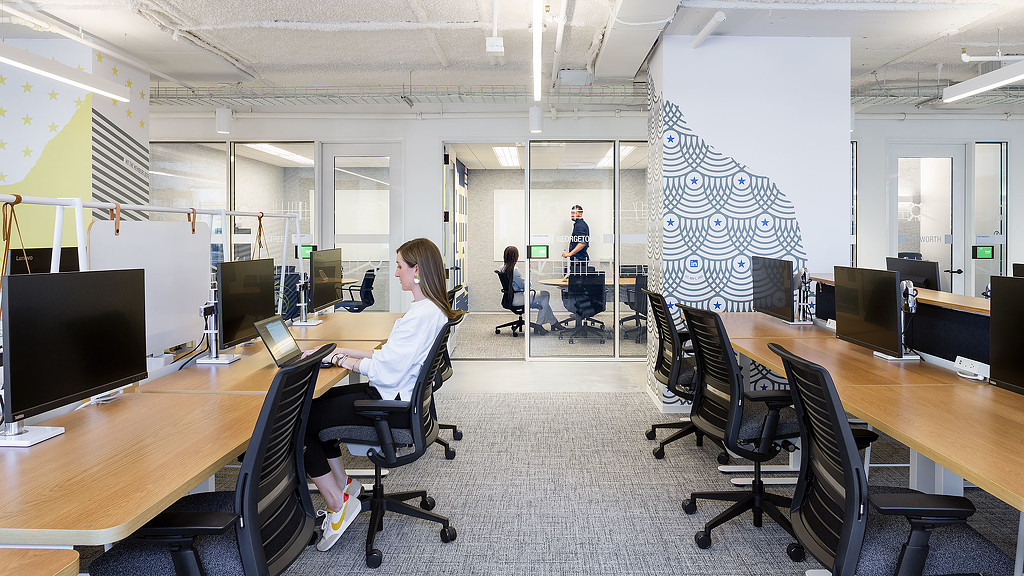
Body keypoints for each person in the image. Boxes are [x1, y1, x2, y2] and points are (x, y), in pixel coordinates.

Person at [300, 237, 461, 552]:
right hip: (401, 401)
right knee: (316, 405)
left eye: (400, 266)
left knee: (302, 422)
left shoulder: (420, 316)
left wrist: (341, 360)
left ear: (417, 270)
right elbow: (390, 357)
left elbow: (386, 371)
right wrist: (341, 349)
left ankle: (337, 504)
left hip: (391, 408)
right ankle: (345, 486)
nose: (396, 272)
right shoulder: (429, 309)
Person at [501, 245, 560, 333]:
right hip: (518, 298)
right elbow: (526, 286)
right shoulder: (514, 270)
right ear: (516, 256)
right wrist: (528, 274)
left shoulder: (502, 268)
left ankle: (554, 322)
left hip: (510, 298)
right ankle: (539, 324)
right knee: (545, 295)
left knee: (544, 301)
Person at [561, 204, 590, 273]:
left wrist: (570, 254)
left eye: (574, 213)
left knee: (577, 279)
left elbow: (582, 243)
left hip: (579, 260)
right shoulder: (578, 224)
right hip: (578, 259)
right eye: (571, 213)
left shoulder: (580, 225)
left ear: (580, 214)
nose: (572, 215)